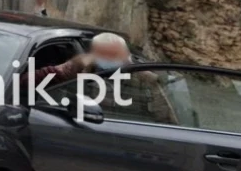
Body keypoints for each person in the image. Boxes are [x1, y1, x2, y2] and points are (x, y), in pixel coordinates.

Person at [21, 33, 177, 124]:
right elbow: (24, 82)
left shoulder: (144, 80)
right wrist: (68, 68)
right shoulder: (82, 71)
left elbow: (166, 120)